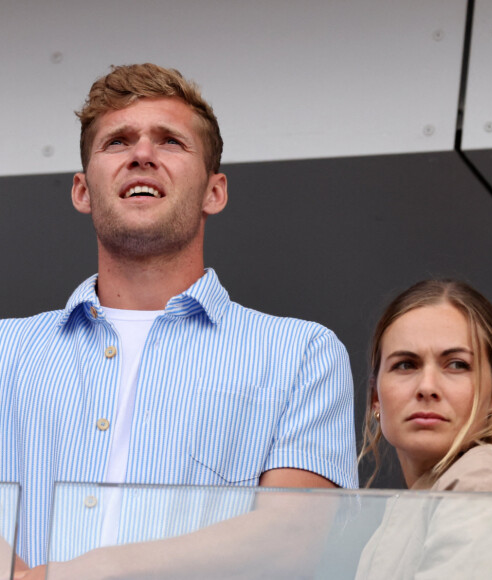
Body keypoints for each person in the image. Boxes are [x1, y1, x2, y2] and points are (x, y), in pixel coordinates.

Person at [0, 63, 358, 572]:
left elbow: (292, 538)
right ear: (82, 190)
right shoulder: (4, 351)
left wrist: (90, 572)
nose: (142, 154)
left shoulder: (300, 354)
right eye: (118, 142)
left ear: (216, 191)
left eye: (170, 141)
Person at [356, 279, 492, 578]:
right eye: (406, 365)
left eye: (457, 365)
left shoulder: (489, 480)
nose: (427, 387)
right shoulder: (416, 504)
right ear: (375, 398)